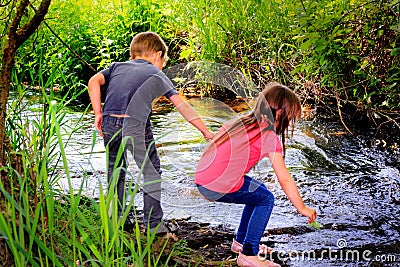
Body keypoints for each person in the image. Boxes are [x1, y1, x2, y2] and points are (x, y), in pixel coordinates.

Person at [88, 31, 214, 234]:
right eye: (163, 60)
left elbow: (94, 81)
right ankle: (153, 224)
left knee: (116, 170)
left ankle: (117, 218)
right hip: (136, 125)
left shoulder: (116, 67)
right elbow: (182, 106)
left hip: (110, 123)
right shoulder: (156, 73)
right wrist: (206, 132)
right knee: (151, 173)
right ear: (157, 55)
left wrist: (98, 113)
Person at [194, 82, 317, 267]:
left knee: (259, 191)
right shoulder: (269, 137)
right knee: (266, 199)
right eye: (290, 118)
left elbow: (216, 147)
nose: (290, 123)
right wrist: (302, 208)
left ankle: (241, 242)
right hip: (216, 185)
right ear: (280, 115)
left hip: (203, 178)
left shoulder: (239, 122)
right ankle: (248, 255)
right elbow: (284, 178)